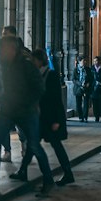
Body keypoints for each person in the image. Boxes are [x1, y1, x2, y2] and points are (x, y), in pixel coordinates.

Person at [0, 35, 54, 195]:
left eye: (4, 49)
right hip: (8, 110)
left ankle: (48, 180)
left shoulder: (26, 65)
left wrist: (26, 103)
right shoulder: (3, 63)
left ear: (13, 49)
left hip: (26, 111)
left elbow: (39, 88)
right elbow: (0, 81)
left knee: (34, 145)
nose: (1, 53)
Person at [31, 48, 75, 189]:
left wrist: (56, 120)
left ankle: (64, 174)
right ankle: (62, 175)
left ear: (39, 60)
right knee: (34, 145)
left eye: (34, 60)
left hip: (50, 118)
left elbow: (56, 99)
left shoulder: (51, 75)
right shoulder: (38, 75)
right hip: (42, 117)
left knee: (54, 146)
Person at [0, 25, 18, 161]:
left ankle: (27, 148)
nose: (2, 36)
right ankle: (7, 151)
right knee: (0, 132)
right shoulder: (0, 54)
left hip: (20, 99)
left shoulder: (21, 52)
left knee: (24, 129)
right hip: (4, 97)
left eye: (5, 34)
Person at [72, 54, 93, 122]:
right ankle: (80, 116)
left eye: (85, 61)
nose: (84, 62)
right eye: (83, 61)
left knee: (86, 103)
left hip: (86, 88)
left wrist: (88, 83)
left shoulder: (87, 69)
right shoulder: (76, 70)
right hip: (78, 88)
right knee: (78, 103)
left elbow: (91, 78)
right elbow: (74, 79)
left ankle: (85, 116)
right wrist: (80, 84)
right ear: (79, 61)